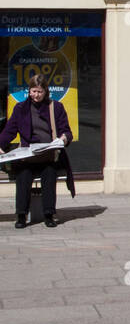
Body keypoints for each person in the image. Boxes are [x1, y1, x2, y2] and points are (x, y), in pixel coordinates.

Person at [0, 78, 74, 229]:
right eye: (34, 91)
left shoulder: (56, 107)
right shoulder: (21, 108)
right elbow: (10, 130)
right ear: (29, 91)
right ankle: (21, 215)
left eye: (40, 92)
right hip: (28, 155)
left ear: (46, 91)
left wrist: (63, 138)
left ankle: (48, 214)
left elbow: (66, 130)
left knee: (49, 173)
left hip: (48, 155)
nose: (36, 95)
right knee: (23, 174)